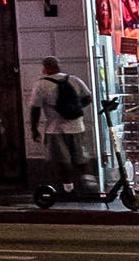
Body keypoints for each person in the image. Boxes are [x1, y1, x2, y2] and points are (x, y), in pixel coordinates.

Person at [30, 56, 94, 193]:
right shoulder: (74, 79)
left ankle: (68, 189)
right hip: (77, 126)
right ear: (58, 66)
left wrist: (34, 129)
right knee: (80, 157)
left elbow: (35, 108)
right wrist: (75, 109)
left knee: (62, 161)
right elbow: (88, 97)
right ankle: (88, 183)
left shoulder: (41, 84)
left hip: (55, 129)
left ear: (45, 68)